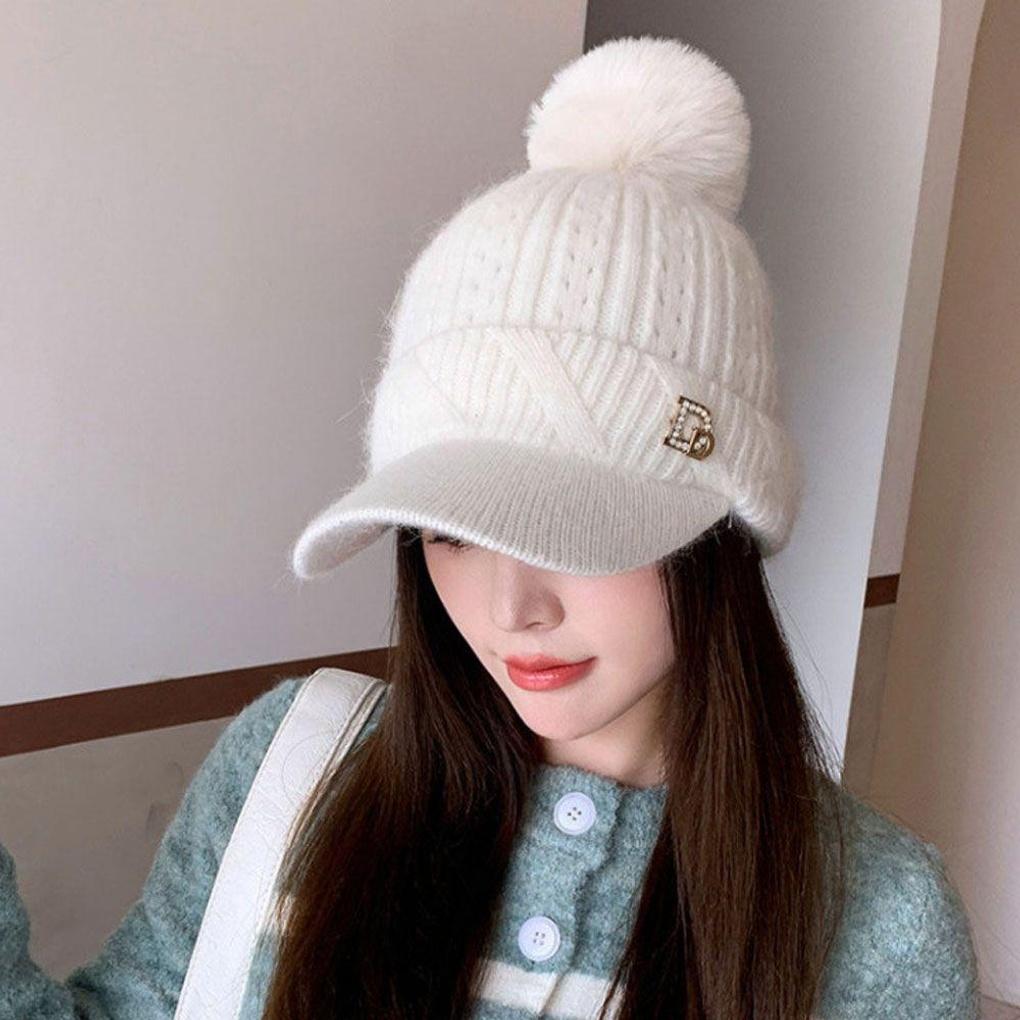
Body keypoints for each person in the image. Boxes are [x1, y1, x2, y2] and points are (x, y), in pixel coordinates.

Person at [0, 34, 980, 1020]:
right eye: (453, 531)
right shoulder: (290, 769)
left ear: (717, 533)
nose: (511, 609)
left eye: (575, 525)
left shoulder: (876, 922)